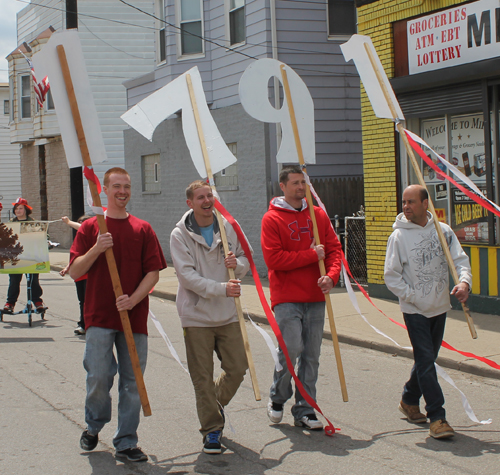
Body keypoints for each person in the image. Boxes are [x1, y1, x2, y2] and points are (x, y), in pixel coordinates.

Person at [69, 167, 166, 462]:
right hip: (99, 316)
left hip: (133, 318)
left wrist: (134, 299)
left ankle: (126, 440)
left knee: (132, 381)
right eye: (117, 186)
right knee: (98, 376)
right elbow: (75, 271)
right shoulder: (90, 228)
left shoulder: (143, 228)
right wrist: (97, 248)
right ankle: (94, 424)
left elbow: (153, 273)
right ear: (105, 191)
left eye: (127, 186)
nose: (122, 191)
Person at [384, 184, 472, 440]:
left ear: (425, 204)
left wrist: (464, 282)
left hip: (440, 306)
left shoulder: (442, 231)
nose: (406, 207)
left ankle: (409, 399)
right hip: (414, 310)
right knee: (425, 360)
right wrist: (413, 297)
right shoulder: (398, 237)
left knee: (428, 359)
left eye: (411, 202)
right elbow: (391, 276)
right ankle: (437, 416)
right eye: (404, 202)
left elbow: (460, 260)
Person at [170, 180, 251, 455]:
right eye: (201, 197)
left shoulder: (227, 227)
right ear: (190, 203)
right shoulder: (179, 235)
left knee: (239, 367)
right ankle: (212, 430)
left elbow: (244, 262)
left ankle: (212, 403)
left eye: (210, 196)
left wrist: (235, 265)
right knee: (201, 377)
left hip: (227, 314)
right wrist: (222, 289)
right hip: (196, 317)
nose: (207, 201)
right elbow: (187, 278)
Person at [261, 165, 342, 431]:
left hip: (315, 295)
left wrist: (331, 276)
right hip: (286, 296)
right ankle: (278, 397)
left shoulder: (318, 215)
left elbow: (333, 250)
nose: (300, 188)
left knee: (311, 355)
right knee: (290, 348)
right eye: (294, 183)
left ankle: (306, 408)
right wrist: (310, 255)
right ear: (282, 186)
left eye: (303, 183)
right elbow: (274, 259)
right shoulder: (271, 219)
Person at [3, 198, 46, 314]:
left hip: (31, 256)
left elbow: (43, 236)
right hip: (15, 257)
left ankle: (37, 302)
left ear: (26, 210)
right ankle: (10, 303)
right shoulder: (10, 224)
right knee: (14, 281)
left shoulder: (34, 223)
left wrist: (47, 242)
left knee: (33, 281)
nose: (18, 210)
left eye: (20, 208)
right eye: (16, 208)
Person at [60, 215, 91, 335]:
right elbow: (75, 256)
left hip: (91, 274)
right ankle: (83, 324)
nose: (82, 224)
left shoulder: (93, 236)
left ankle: (90, 324)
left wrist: (68, 222)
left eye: (84, 222)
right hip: (80, 275)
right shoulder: (79, 238)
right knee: (82, 301)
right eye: (80, 222)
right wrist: (67, 267)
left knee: (90, 301)